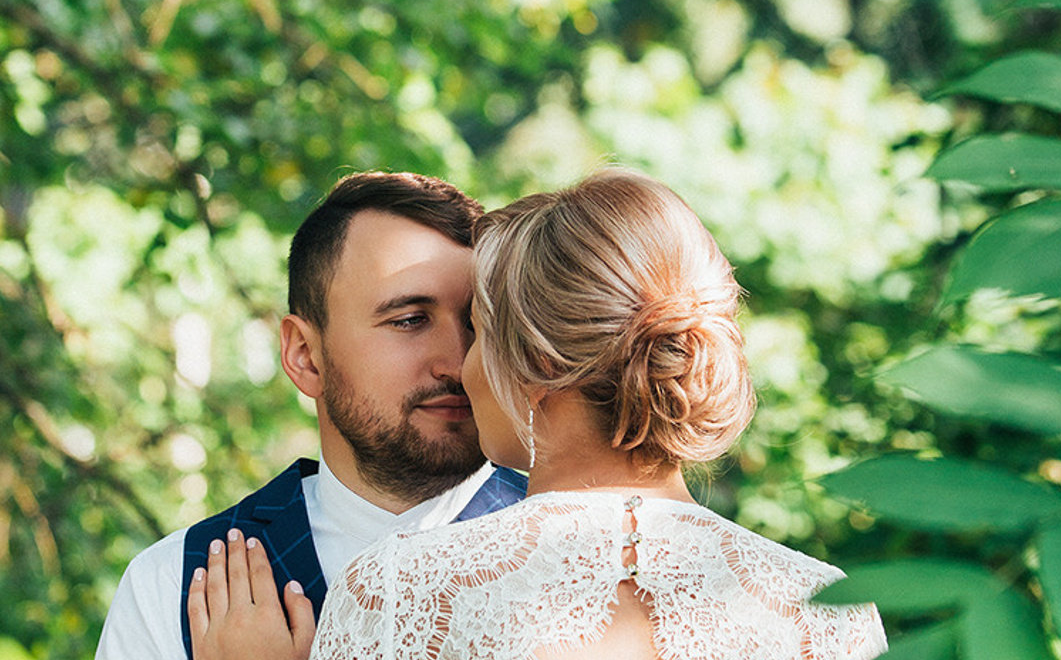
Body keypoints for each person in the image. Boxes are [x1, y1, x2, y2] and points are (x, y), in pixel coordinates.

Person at [189, 168, 887, 659]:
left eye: (478, 330)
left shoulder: (400, 593)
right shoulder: (826, 611)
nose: (459, 365)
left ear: (538, 366)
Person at [96, 170, 527, 660]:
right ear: (305, 355)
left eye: (477, 322)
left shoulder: (582, 554)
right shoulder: (169, 585)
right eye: (409, 320)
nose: (458, 362)